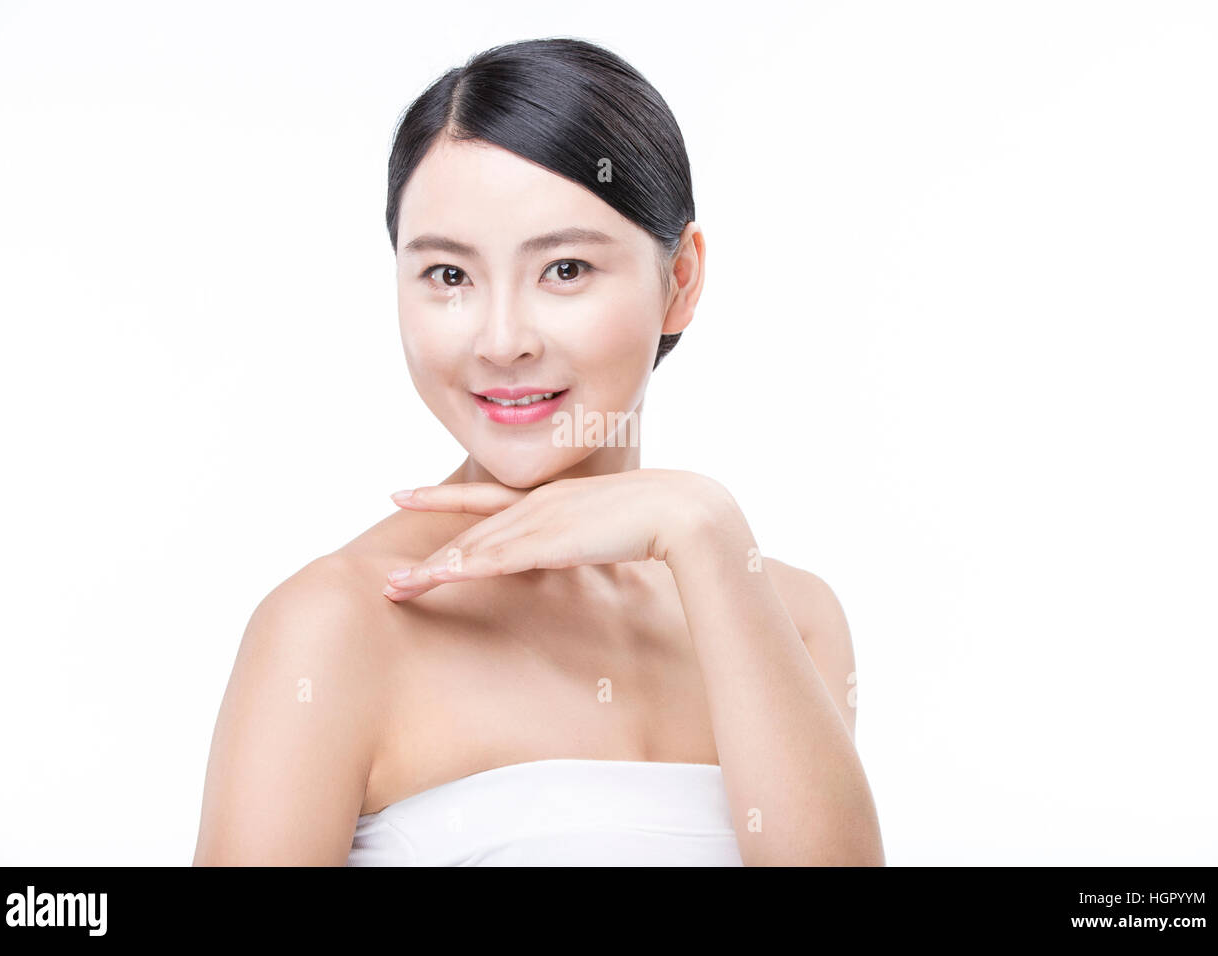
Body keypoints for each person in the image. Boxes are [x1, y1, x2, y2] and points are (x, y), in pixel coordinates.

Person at [192, 36, 884, 867]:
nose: (501, 340)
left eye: (563, 268)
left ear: (682, 280)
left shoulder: (793, 619)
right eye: (449, 277)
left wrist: (702, 526)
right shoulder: (334, 627)